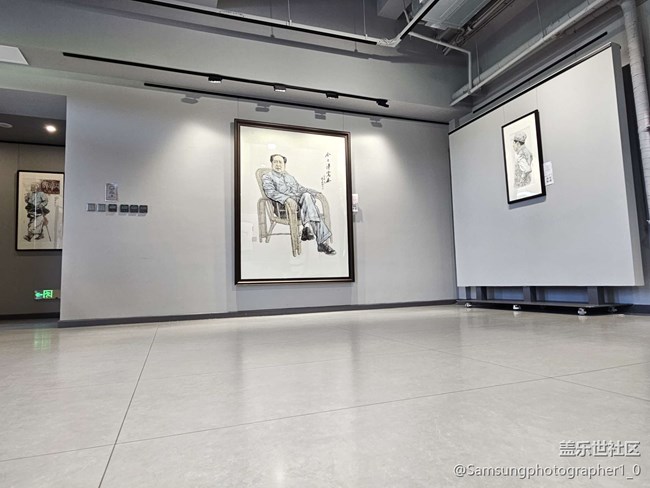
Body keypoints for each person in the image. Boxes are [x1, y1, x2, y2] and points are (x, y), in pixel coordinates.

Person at [262, 153, 336, 255]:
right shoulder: (267, 177)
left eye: (280, 162)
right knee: (312, 210)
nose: (278, 164)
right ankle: (320, 242)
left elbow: (300, 189)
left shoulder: (289, 177)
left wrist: (315, 193)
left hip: (300, 208)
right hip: (284, 209)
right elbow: (270, 192)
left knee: (307, 195)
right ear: (271, 164)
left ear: (284, 165)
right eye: (275, 162)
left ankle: (307, 228)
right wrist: (287, 199)